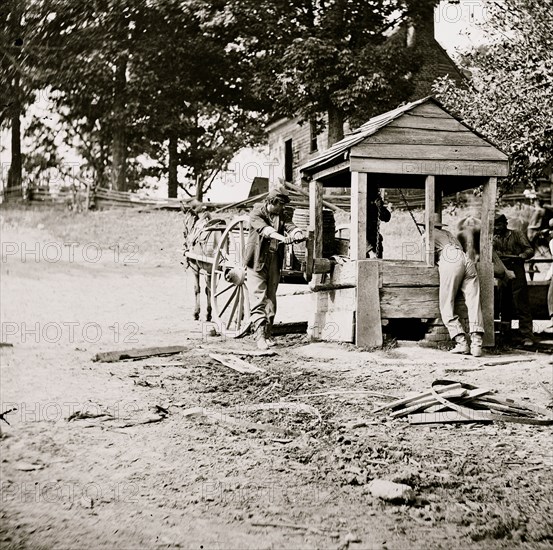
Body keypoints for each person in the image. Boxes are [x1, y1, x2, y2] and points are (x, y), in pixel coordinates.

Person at [245, 184, 304, 349]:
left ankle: (268, 334)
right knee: (259, 297)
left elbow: (290, 225)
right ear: (274, 201)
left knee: (271, 298)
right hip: (257, 261)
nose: (283, 207)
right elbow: (266, 231)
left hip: (274, 261)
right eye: (281, 204)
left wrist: (296, 233)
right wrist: (282, 238)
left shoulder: (281, 214)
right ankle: (260, 337)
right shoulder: (257, 213)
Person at [421, 222, 485, 356]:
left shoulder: (427, 234)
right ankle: (477, 344)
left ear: (425, 225)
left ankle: (461, 342)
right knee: (474, 302)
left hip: (450, 260)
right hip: (466, 259)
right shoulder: (449, 234)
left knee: (446, 304)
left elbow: (427, 260)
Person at [493, 213, 535, 346]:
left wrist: (523, 255)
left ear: (505, 224)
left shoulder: (517, 234)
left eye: (499, 225)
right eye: (494, 226)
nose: (497, 228)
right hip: (502, 272)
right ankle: (506, 335)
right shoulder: (493, 238)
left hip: (517, 269)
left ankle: (526, 335)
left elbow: (530, 250)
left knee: (521, 302)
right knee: (504, 303)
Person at [366, 190, 391, 258]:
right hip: (363, 244)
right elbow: (356, 232)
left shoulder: (374, 206)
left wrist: (380, 208)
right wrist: (369, 250)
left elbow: (386, 218)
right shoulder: (359, 207)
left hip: (375, 241)